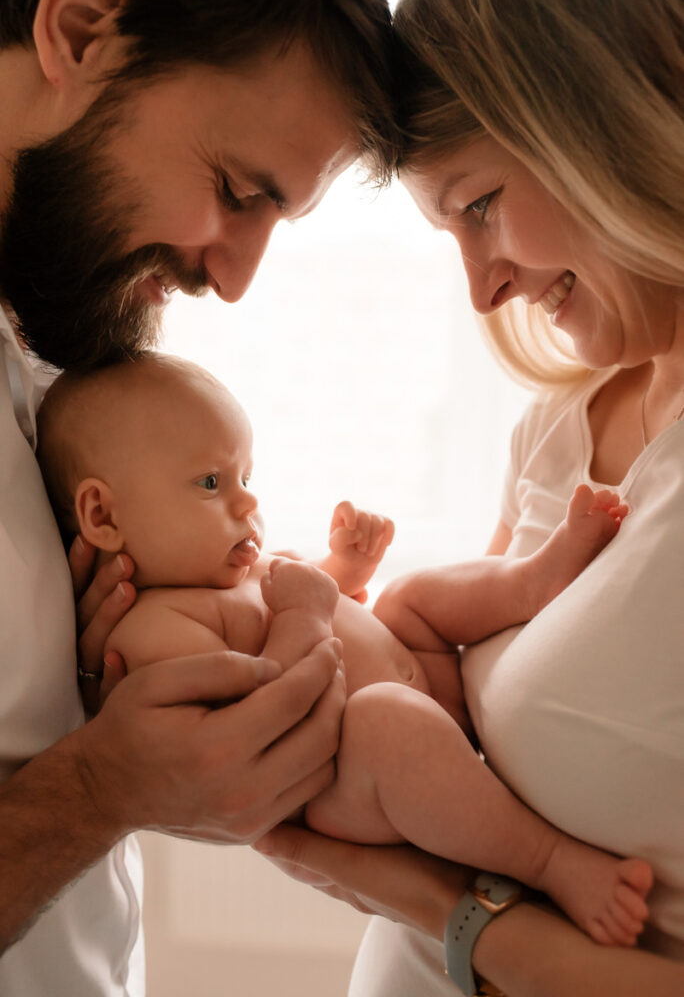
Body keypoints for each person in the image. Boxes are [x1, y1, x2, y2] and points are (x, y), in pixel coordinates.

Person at [252, 0, 684, 995]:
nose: (484, 286)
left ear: (600, 118)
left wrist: (455, 919)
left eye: (481, 205)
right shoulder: (556, 435)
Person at [0, 0, 399, 992]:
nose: (233, 279)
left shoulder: (59, 333)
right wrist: (89, 792)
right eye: (234, 188)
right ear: (82, 28)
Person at [35, 350, 652, 949]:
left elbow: (335, 609)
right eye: (210, 482)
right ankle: (550, 862)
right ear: (102, 515)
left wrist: (344, 568)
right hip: (366, 778)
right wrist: (307, 608)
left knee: (407, 596)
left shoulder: (230, 572)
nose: (247, 502)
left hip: (429, 695)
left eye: (246, 478)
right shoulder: (150, 629)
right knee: (384, 717)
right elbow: (272, 716)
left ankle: (533, 579)